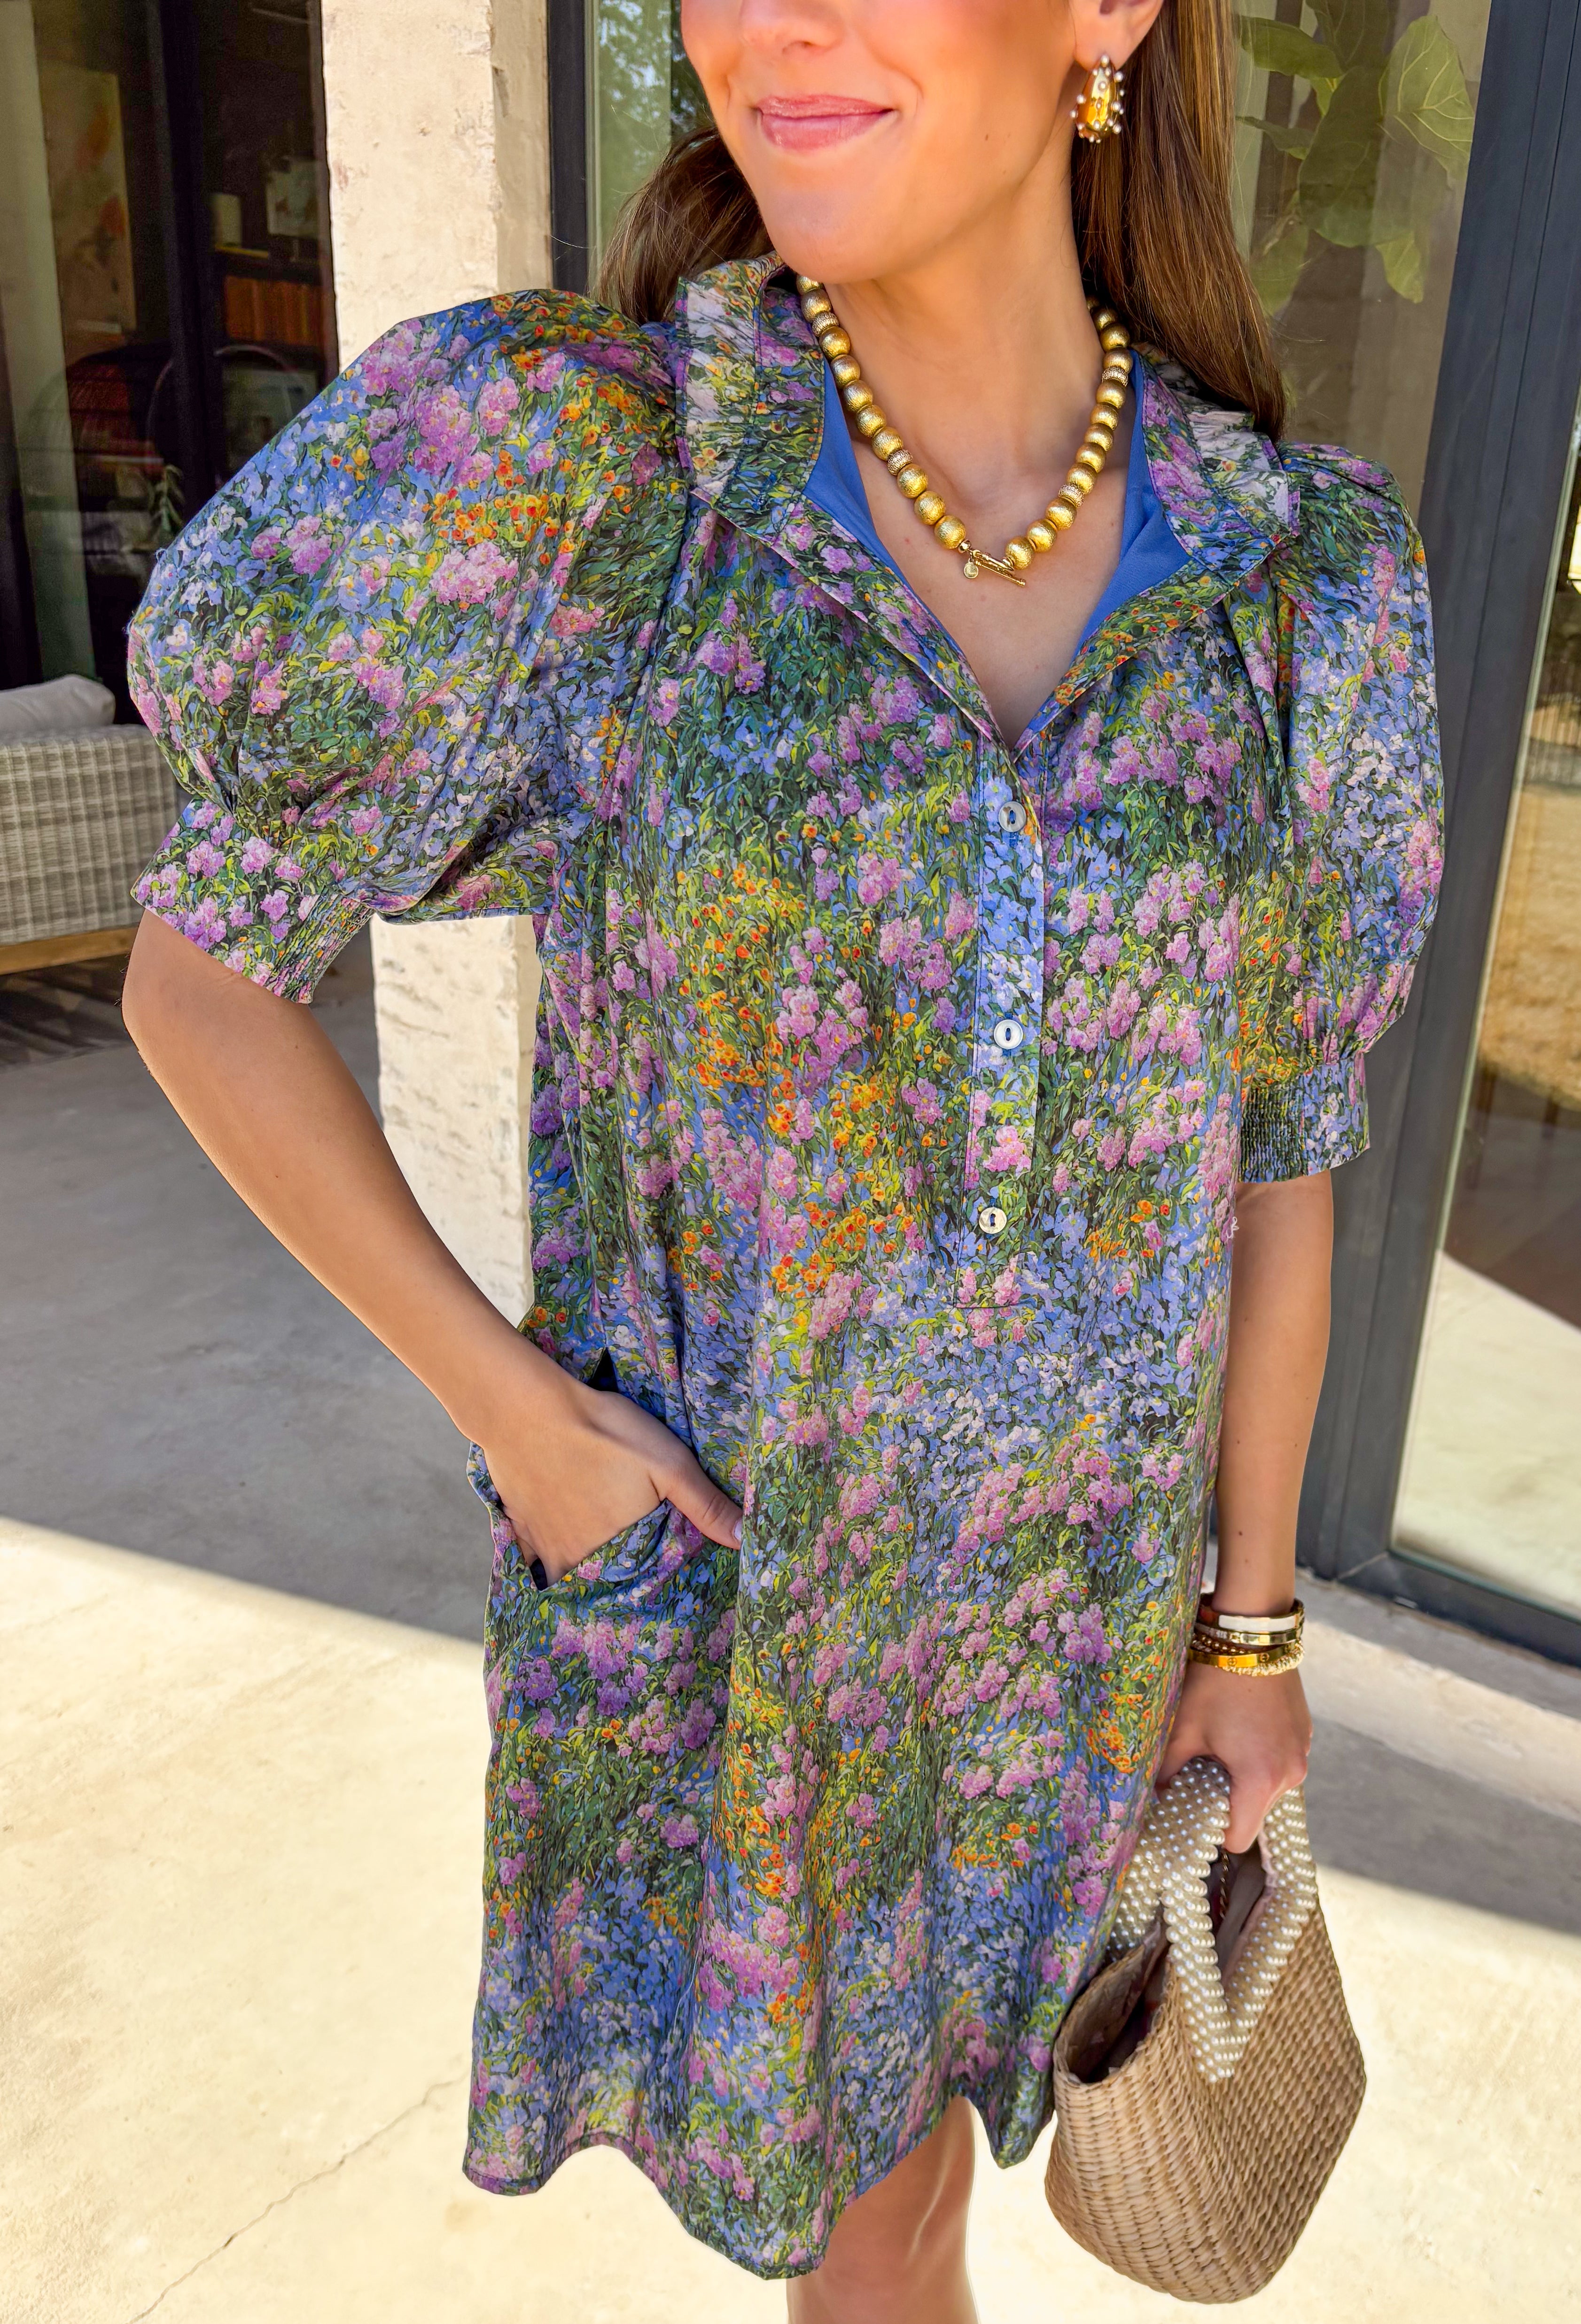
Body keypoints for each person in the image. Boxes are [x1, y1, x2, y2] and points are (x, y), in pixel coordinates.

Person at [120, 0, 1442, 2316]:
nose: (763, 20)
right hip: (760, 1658)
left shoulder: (1293, 584)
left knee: (935, 2205)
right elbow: (200, 975)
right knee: (871, 2243)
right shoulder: (598, 488)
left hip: (1084, 1662)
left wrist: (1249, 1633)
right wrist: (522, 1421)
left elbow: (1281, 1157)